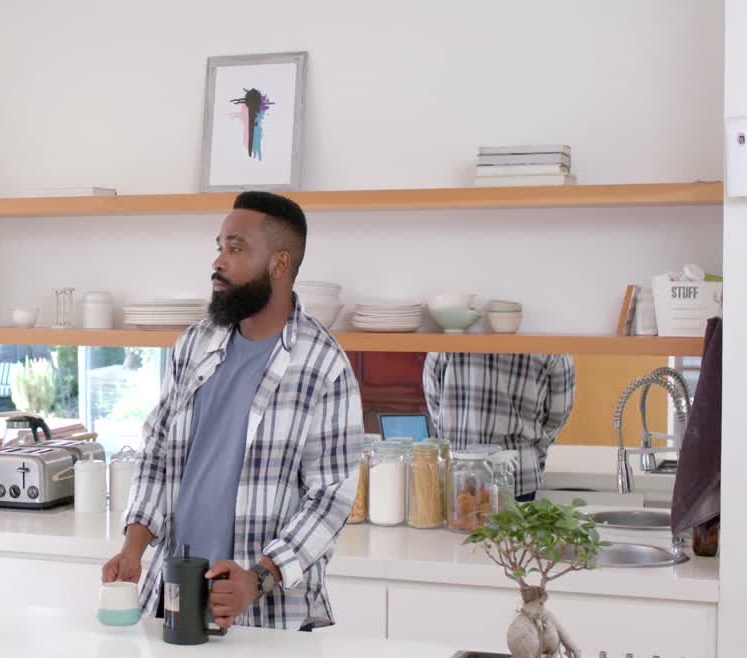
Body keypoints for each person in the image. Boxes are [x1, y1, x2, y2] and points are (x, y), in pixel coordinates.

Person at [101, 191, 363, 631]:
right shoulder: (194, 344)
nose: (218, 262)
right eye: (219, 246)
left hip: (269, 615)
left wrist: (258, 578)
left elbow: (330, 499)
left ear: (279, 265)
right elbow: (158, 452)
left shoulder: (324, 366)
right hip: (175, 595)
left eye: (235, 248)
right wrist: (133, 547)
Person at [422, 353, 576, 501]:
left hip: (458, 473)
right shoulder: (549, 339)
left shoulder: (449, 334)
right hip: (519, 473)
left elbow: (434, 397)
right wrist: (534, 454)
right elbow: (557, 414)